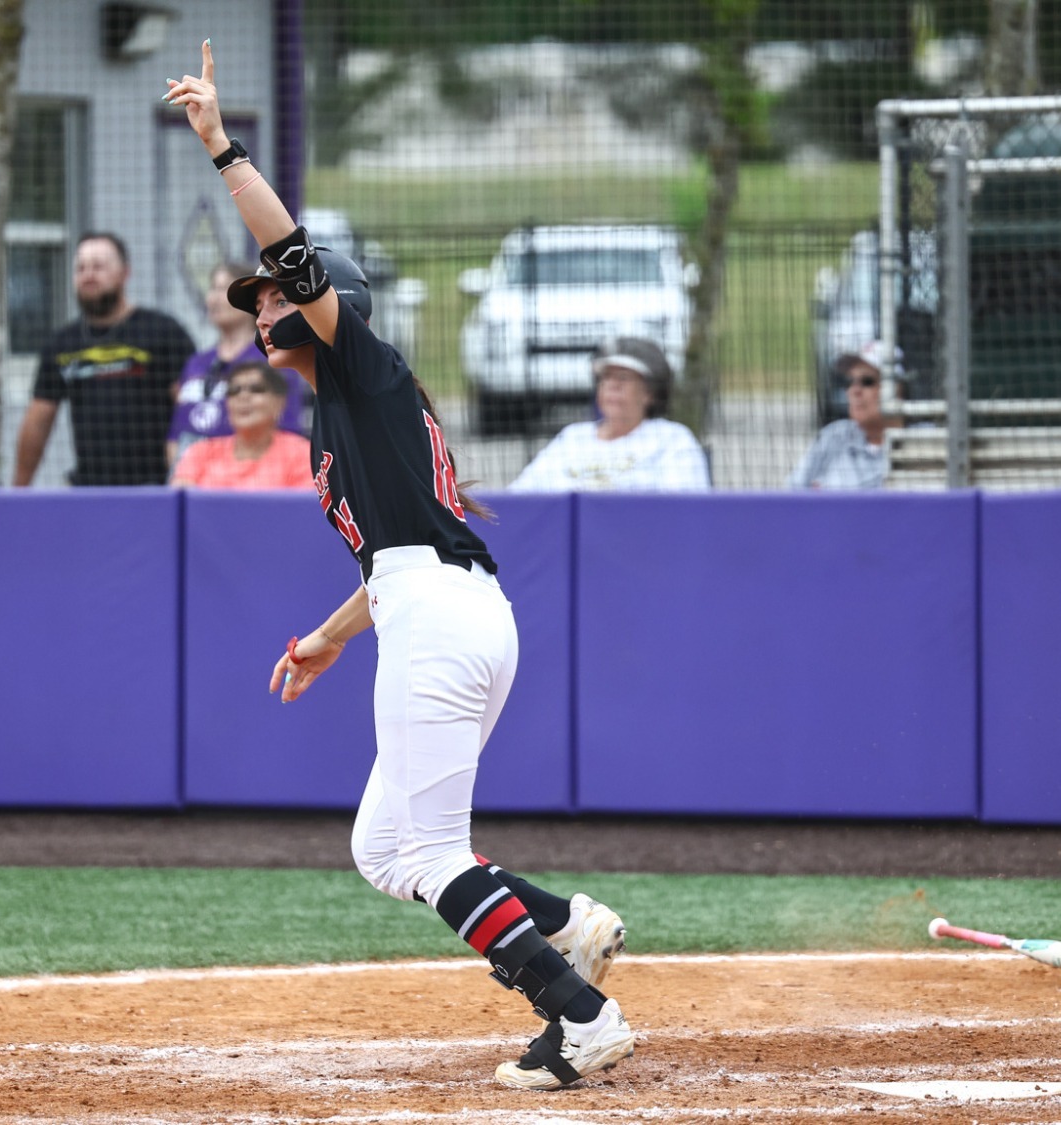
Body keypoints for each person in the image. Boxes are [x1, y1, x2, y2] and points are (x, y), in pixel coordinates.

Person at [168, 41, 635, 1092]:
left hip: (441, 617)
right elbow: (395, 559)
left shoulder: (361, 365)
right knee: (386, 848)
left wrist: (220, 147)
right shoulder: (342, 413)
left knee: (430, 853)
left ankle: (581, 1018)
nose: (262, 308)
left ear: (331, 304)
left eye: (275, 300)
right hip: (437, 606)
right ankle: (569, 925)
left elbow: (292, 256)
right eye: (257, 302)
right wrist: (329, 638)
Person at [13, 232, 196, 486]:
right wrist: (18, 491)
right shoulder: (62, 344)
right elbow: (38, 421)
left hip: (156, 488)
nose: (88, 275)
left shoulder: (163, 332)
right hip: (90, 491)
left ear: (125, 273)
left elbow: (190, 410)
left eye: (98, 267)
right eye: (81, 268)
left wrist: (189, 478)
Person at [508, 337, 710, 492]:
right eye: (606, 377)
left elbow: (685, 510)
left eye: (624, 378)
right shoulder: (573, 438)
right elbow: (521, 496)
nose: (612, 385)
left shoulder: (671, 439)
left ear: (651, 393)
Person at [167, 261, 311, 468]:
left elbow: (288, 432)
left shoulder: (273, 359)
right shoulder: (196, 362)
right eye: (213, 288)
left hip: (251, 479)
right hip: (193, 478)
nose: (215, 298)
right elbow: (176, 434)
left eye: (225, 289)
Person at [169, 360, 315, 490]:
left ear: (279, 402)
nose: (243, 397)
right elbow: (180, 505)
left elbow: (303, 511)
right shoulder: (200, 453)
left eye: (256, 389)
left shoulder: (302, 454)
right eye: (234, 391)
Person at [789, 341, 906, 490]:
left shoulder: (920, 443)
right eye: (849, 382)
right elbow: (791, 495)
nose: (854, 391)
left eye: (867, 381)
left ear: (897, 390)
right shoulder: (835, 436)